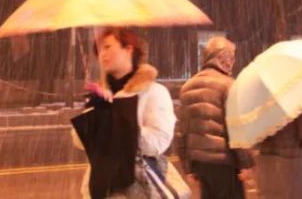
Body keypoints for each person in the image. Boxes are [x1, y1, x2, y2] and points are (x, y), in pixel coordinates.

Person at [71, 27, 177, 199]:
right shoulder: (100, 95)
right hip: (101, 188)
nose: (102, 54)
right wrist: (94, 116)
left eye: (107, 47)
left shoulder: (153, 92)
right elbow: (79, 142)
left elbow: (158, 142)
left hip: (140, 187)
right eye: (99, 50)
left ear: (128, 49)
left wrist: (115, 122)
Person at [178, 36, 253, 198]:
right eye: (231, 56)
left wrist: (187, 167)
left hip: (200, 163)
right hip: (225, 163)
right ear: (220, 57)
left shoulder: (187, 87)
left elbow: (182, 131)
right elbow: (236, 128)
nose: (233, 61)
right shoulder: (228, 85)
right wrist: (246, 163)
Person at [254, 106, 302, 199]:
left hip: (268, 169)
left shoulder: (258, 106)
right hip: (297, 171)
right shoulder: (297, 104)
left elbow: (254, 139)